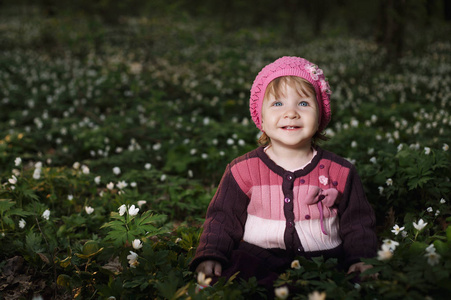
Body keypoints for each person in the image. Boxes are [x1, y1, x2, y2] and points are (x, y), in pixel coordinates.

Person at [190, 56, 377, 291]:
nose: (291, 113)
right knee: (228, 281)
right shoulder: (242, 170)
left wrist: (361, 258)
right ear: (261, 117)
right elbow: (222, 219)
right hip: (258, 261)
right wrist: (211, 254)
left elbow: (357, 222)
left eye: (303, 104)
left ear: (320, 114)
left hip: (323, 263)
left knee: (352, 286)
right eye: (278, 104)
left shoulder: (341, 170)